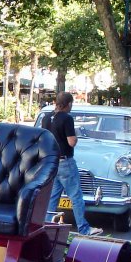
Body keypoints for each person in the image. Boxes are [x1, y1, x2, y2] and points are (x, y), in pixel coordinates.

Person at [46, 92, 104, 237]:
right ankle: (84, 228)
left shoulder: (47, 118)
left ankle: (47, 224)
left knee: (53, 196)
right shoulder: (67, 118)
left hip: (52, 162)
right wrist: (76, 136)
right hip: (66, 161)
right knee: (76, 196)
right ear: (69, 104)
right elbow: (71, 141)